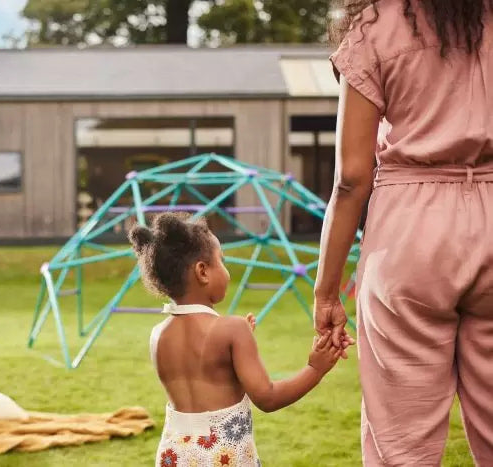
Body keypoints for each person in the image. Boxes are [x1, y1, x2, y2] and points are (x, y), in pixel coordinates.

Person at [314, 0, 493, 465]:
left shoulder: (375, 27)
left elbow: (351, 179)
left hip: (408, 232)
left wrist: (326, 292)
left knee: (401, 445)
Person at [128, 213, 342, 467]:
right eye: (222, 261)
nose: (227, 272)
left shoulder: (158, 334)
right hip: (223, 455)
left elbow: (202, 374)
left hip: (174, 454)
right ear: (203, 271)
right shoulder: (231, 329)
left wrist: (235, 346)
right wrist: (315, 369)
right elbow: (268, 398)